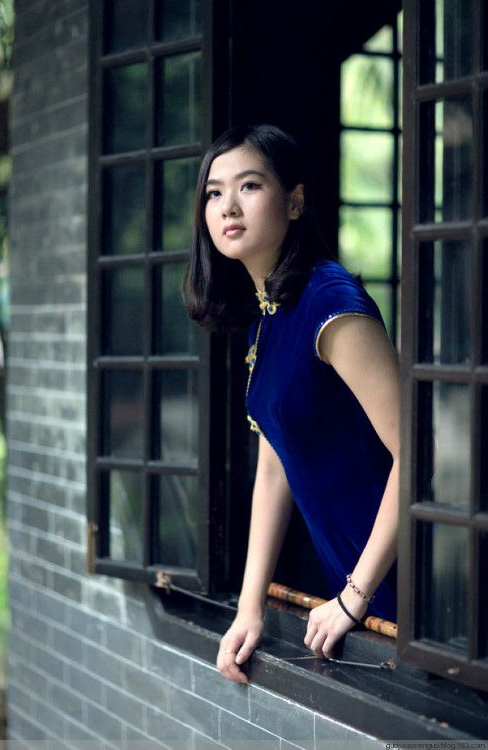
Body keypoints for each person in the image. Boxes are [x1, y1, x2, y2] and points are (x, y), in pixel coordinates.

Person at [183, 124, 400, 684]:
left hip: (398, 582)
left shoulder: (331, 304)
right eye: (214, 192)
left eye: (250, 186)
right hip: (352, 586)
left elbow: (415, 455)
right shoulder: (269, 314)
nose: (228, 206)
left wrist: (355, 595)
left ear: (295, 202)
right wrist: (248, 607)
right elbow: (274, 465)